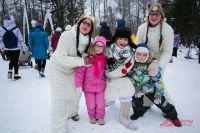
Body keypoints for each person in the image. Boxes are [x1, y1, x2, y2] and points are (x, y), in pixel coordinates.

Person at [48, 14, 96, 133]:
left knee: (74, 94)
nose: (86, 25)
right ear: (79, 23)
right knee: (60, 98)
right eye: (84, 22)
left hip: (72, 69)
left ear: (92, 28)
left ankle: (72, 112)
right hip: (57, 68)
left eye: (89, 24)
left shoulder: (91, 41)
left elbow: (99, 52)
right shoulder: (67, 35)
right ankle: (59, 129)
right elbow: (61, 58)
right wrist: (83, 61)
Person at [126, 43, 181, 127]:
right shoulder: (132, 65)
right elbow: (129, 78)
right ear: (135, 54)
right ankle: (138, 112)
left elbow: (158, 81)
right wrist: (135, 88)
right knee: (136, 102)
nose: (141, 57)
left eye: (144, 55)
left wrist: (158, 94)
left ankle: (173, 116)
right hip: (138, 89)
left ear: (148, 55)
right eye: (139, 54)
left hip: (150, 89)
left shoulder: (152, 66)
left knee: (162, 103)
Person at [135, 3, 174, 112]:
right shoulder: (142, 28)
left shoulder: (167, 30)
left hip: (160, 59)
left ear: (161, 16)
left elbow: (167, 51)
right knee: (143, 82)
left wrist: (159, 67)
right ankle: (147, 103)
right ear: (148, 15)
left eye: (157, 14)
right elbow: (138, 46)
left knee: (157, 83)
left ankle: (170, 107)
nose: (154, 17)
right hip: (144, 59)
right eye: (151, 14)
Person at [105, 27, 137, 130]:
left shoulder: (131, 52)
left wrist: (153, 60)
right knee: (107, 98)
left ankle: (124, 117)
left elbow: (145, 54)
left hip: (122, 78)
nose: (123, 41)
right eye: (120, 38)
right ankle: (103, 107)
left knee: (127, 92)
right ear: (115, 39)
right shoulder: (107, 49)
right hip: (108, 79)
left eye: (125, 39)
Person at [75, 36, 107, 125]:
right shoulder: (87, 59)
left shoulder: (104, 59)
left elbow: (106, 73)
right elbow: (79, 72)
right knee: (91, 104)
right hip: (88, 87)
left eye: (101, 46)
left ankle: (100, 117)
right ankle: (92, 116)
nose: (98, 48)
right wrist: (78, 84)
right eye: (97, 45)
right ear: (93, 46)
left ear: (103, 48)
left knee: (101, 104)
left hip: (100, 87)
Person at [0, 15, 25, 80]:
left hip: (7, 48)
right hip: (16, 48)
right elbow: (20, 39)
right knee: (15, 61)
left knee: (11, 60)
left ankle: (10, 71)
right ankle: (16, 74)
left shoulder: (1, 29)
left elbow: (0, 40)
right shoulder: (16, 29)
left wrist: (2, 48)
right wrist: (23, 48)